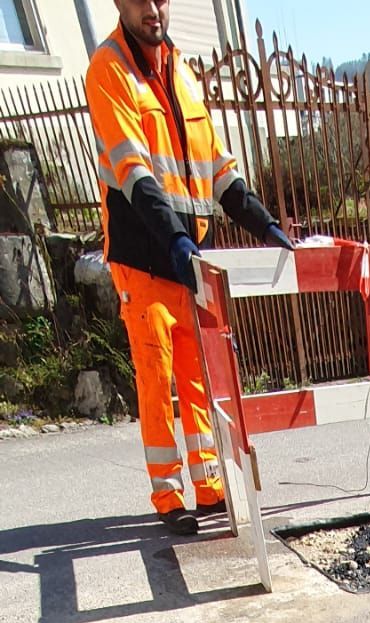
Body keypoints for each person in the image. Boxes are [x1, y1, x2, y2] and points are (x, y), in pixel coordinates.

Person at [85, 0, 293, 534]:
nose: (153, 9)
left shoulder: (183, 72)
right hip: (143, 258)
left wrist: (263, 223)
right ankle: (168, 495)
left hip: (186, 258)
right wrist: (175, 238)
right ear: (119, 4)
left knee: (197, 377)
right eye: (140, 0)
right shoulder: (109, 71)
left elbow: (217, 168)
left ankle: (208, 487)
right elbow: (134, 173)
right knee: (156, 377)